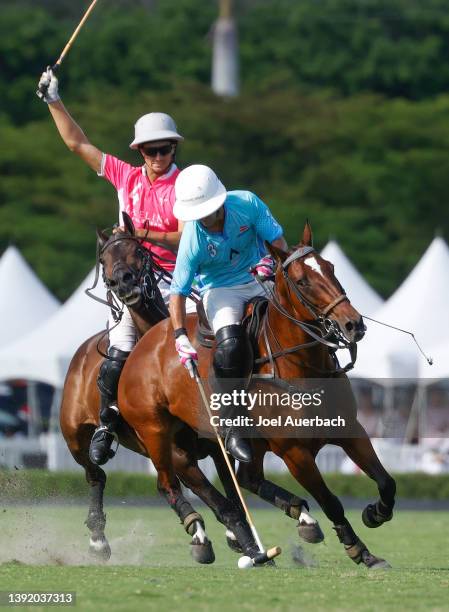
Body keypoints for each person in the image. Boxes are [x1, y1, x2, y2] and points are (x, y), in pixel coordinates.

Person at [37, 68, 194, 465]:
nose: (158, 158)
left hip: (183, 277)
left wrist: (145, 234)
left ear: (175, 149)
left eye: (165, 150)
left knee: (224, 333)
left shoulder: (187, 185)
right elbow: (77, 144)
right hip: (136, 282)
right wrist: (54, 101)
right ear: (139, 151)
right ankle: (108, 425)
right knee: (119, 346)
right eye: (150, 151)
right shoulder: (126, 177)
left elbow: (188, 239)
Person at [169, 164, 288, 463]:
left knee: (300, 316)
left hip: (260, 274)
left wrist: (270, 264)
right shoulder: (193, 240)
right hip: (221, 289)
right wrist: (180, 335)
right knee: (231, 344)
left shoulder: (247, 203)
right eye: (199, 215)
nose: (206, 220)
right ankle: (232, 423)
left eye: (209, 211)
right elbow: (178, 292)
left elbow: (278, 241)